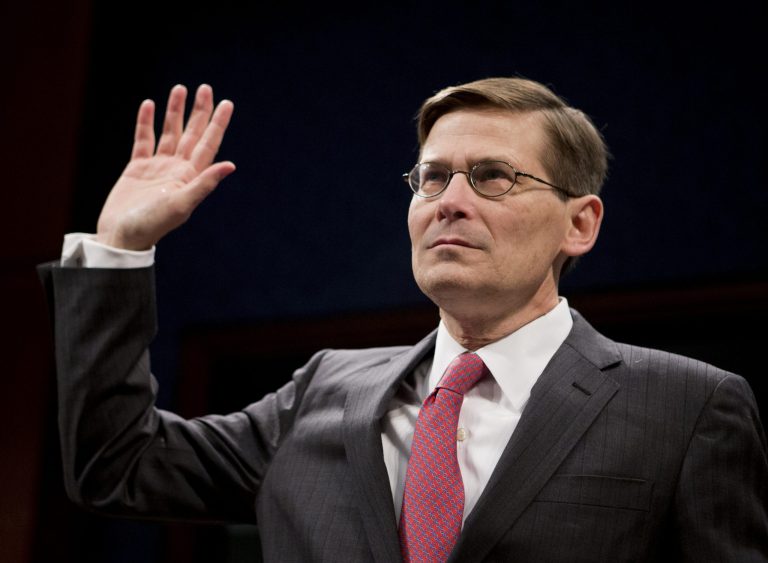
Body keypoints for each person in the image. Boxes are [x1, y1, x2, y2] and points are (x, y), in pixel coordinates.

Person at [40, 78, 767, 562]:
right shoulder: (324, 387)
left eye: (492, 176)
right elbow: (117, 466)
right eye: (432, 177)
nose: (450, 199)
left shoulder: (690, 405)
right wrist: (118, 250)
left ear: (579, 222)